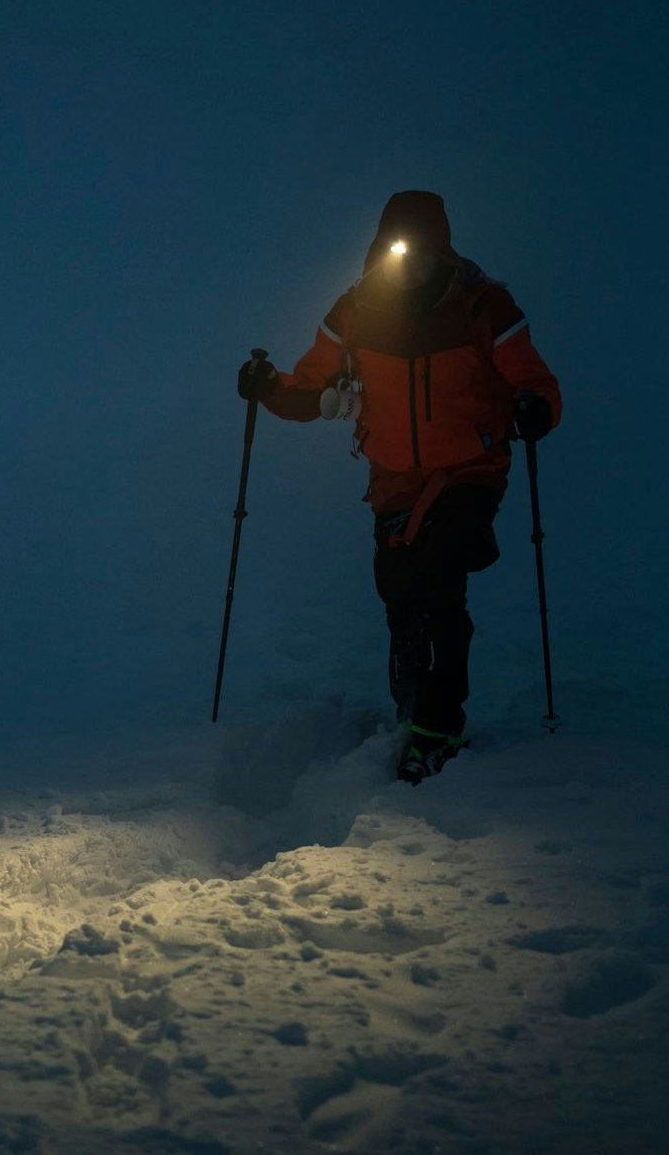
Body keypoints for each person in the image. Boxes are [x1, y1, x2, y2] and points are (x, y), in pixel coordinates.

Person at [235, 190, 562, 785]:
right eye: (393, 249)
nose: (405, 262)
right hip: (393, 483)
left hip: (470, 471)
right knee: (399, 593)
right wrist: (266, 385)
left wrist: (534, 407)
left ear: (441, 248)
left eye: (416, 250)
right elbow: (313, 389)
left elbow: (534, 381)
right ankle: (411, 707)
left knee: (440, 582)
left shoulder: (482, 306)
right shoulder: (357, 311)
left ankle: (437, 731)